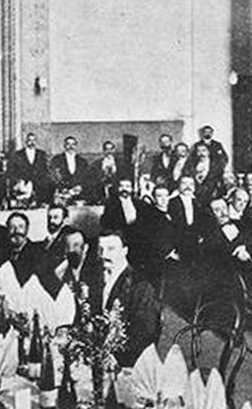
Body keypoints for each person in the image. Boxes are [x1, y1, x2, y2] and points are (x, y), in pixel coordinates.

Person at [91, 230, 160, 368]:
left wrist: (117, 358)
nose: (104, 255)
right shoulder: (96, 279)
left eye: (111, 249)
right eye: (101, 249)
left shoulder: (141, 285)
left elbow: (145, 333)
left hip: (128, 365)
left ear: (124, 251)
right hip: (99, 361)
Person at [0, 212, 43, 286]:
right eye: (12, 227)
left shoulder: (38, 253)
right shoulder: (2, 253)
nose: (16, 231)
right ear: (7, 230)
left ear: (27, 229)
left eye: (20, 227)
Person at [8, 132, 52, 205]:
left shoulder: (41, 154)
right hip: (23, 185)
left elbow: (45, 170)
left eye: (33, 140)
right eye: (29, 140)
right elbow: (13, 171)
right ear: (25, 141)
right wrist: (20, 181)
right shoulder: (18, 154)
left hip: (39, 185)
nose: (31, 142)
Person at [49, 136, 89, 200]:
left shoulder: (83, 162)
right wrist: (62, 189)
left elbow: (86, 177)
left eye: (73, 144)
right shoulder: (56, 160)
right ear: (64, 145)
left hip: (79, 193)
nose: (70, 146)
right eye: (68, 144)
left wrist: (79, 187)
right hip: (62, 193)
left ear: (76, 146)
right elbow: (53, 176)